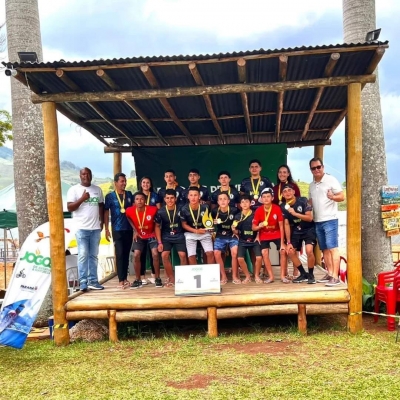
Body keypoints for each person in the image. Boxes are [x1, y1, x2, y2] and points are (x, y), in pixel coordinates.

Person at [308, 157, 345, 286]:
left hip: (330, 219)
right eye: (314, 168)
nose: (317, 170)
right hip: (317, 221)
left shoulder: (331, 180)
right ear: (311, 170)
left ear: (323, 167)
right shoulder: (312, 185)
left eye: (319, 167)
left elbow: (342, 196)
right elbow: (310, 202)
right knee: (324, 249)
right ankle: (329, 273)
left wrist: (332, 197)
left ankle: (335, 276)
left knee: (332, 248)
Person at [67, 167, 104, 291]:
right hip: (81, 228)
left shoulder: (97, 190)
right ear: (80, 175)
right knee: (83, 255)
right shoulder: (74, 190)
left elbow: (101, 206)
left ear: (91, 175)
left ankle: (93, 280)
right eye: (83, 174)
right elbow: (70, 208)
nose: (86, 176)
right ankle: (82, 282)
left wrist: (102, 221)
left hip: (95, 228)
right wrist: (82, 198)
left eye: (88, 174)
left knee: (93, 255)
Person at [126, 192, 163, 289]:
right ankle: (138, 280)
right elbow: (128, 218)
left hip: (151, 235)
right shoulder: (129, 210)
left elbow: (157, 223)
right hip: (139, 236)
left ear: (145, 200)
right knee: (136, 254)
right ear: (134, 201)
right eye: (137, 199)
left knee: (155, 254)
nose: (139, 201)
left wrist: (158, 238)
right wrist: (135, 230)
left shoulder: (153, 209)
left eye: (142, 199)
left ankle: (157, 278)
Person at [281, 183, 316, 284]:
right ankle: (303, 274)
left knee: (309, 251)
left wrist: (295, 213)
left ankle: (311, 275)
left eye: (289, 190)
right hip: (296, 230)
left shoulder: (303, 200)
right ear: (282, 194)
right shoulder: (283, 206)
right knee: (290, 251)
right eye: (285, 191)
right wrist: (288, 242)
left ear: (293, 192)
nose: (287, 193)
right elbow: (286, 224)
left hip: (309, 228)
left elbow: (309, 218)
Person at [104, 173, 134, 289]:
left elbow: (133, 211)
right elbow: (106, 212)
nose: (124, 183)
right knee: (120, 253)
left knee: (126, 253)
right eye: (122, 181)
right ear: (115, 183)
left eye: (125, 181)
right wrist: (106, 228)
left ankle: (125, 279)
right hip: (117, 229)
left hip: (129, 228)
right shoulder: (110, 196)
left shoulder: (129, 194)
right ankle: (120, 280)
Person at [252, 188, 286, 284]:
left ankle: (283, 276)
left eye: (268, 197)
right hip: (264, 234)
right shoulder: (258, 210)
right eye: (264, 197)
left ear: (272, 198)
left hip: (277, 233)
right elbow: (253, 227)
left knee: (283, 251)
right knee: (264, 253)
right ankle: (271, 277)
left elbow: (281, 226)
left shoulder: (277, 208)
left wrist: (283, 243)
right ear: (261, 199)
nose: (266, 199)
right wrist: (259, 226)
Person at [155, 189, 188, 287]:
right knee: (164, 255)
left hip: (179, 235)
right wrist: (160, 242)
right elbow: (157, 227)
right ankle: (171, 278)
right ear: (164, 199)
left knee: (182, 255)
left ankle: (182, 278)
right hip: (166, 236)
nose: (170, 200)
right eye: (167, 198)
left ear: (175, 199)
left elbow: (185, 223)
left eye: (172, 198)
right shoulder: (160, 211)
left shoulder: (181, 209)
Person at [180, 186, 215, 266]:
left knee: (210, 253)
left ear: (199, 196)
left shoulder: (205, 207)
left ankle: (210, 274)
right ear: (188, 196)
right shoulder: (183, 209)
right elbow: (184, 225)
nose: (193, 197)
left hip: (203, 232)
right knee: (191, 255)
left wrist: (210, 227)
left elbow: (209, 222)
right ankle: (195, 274)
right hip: (190, 233)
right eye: (191, 195)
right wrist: (196, 231)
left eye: (195, 195)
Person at [211, 192, 239, 284]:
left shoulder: (235, 210)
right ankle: (223, 276)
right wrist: (212, 223)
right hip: (220, 235)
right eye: (220, 199)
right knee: (216, 253)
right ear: (218, 202)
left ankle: (234, 276)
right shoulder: (214, 211)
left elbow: (239, 225)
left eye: (225, 199)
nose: (223, 201)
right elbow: (208, 224)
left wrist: (235, 230)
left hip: (232, 235)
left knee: (234, 252)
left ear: (228, 201)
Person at [137, 176, 160, 284]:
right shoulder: (136, 196)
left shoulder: (155, 195)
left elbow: (159, 211)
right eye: (144, 182)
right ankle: (142, 277)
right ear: (141, 184)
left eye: (148, 182)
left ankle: (154, 276)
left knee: (153, 253)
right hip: (140, 229)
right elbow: (134, 212)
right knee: (141, 253)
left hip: (152, 229)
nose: (146, 184)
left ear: (150, 185)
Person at [232, 195, 259, 284]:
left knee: (258, 257)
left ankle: (256, 276)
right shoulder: (237, 216)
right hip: (243, 240)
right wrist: (234, 230)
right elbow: (236, 232)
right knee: (240, 258)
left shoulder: (255, 214)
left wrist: (258, 236)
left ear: (250, 203)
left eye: (246, 201)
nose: (244, 204)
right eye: (242, 202)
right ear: (240, 204)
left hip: (254, 240)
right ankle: (247, 276)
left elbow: (259, 227)